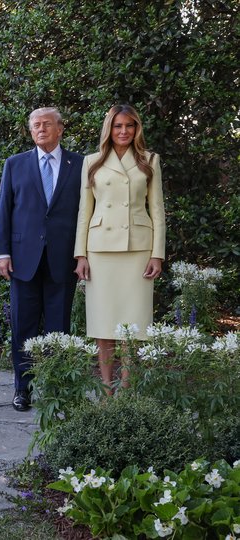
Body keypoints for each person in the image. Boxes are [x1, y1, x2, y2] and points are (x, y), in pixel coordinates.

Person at [0, 107, 84, 411]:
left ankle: (58, 389)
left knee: (59, 328)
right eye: (35, 125)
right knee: (23, 326)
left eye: (46, 124)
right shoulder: (15, 164)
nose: (40, 129)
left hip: (63, 259)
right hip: (23, 260)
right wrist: (2, 252)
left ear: (60, 129)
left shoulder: (80, 165)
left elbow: (86, 213)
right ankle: (23, 389)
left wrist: (83, 253)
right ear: (30, 131)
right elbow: (4, 211)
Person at [74, 104, 165, 392]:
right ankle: (105, 388)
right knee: (104, 325)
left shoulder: (149, 160)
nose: (124, 131)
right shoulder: (92, 162)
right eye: (118, 126)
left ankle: (125, 388)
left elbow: (158, 210)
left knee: (131, 325)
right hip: (100, 251)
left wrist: (157, 254)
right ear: (109, 130)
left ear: (137, 129)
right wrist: (81, 254)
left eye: (129, 126)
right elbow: (83, 212)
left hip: (138, 249)